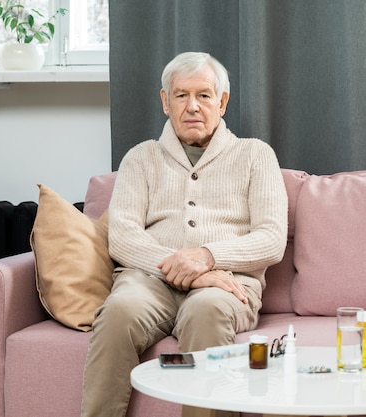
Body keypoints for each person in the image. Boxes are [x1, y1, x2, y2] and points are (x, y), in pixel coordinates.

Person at [80, 52, 288, 417]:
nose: (192, 106)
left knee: (206, 311)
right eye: (181, 95)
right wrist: (187, 270)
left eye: (204, 96)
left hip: (226, 285)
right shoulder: (140, 158)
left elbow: (271, 238)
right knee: (118, 311)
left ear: (222, 102)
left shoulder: (256, 155)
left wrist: (206, 258)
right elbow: (124, 237)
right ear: (165, 102)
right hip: (147, 281)